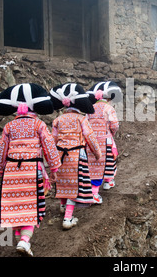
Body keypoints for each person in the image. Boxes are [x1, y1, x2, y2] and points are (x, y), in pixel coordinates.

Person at [0, 83, 62, 257]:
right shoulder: (39, 125)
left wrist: (1, 169)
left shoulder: (9, 127)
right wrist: (54, 168)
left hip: (11, 171)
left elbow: (2, 149)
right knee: (32, 206)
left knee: (16, 207)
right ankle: (24, 241)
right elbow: (49, 147)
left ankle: (20, 242)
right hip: (33, 170)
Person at [49, 83, 102, 230]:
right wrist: (97, 153)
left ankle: (62, 205)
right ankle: (68, 217)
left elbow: (52, 140)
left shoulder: (57, 120)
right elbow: (90, 137)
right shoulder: (81, 119)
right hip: (76, 155)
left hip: (60, 155)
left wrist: (52, 159)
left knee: (62, 181)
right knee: (74, 185)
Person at [86, 81, 122, 204]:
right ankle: (98, 190)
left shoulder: (90, 108)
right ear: (109, 98)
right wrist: (112, 133)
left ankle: (105, 183)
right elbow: (115, 125)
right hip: (105, 140)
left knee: (94, 165)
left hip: (90, 142)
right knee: (109, 160)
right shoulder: (109, 108)